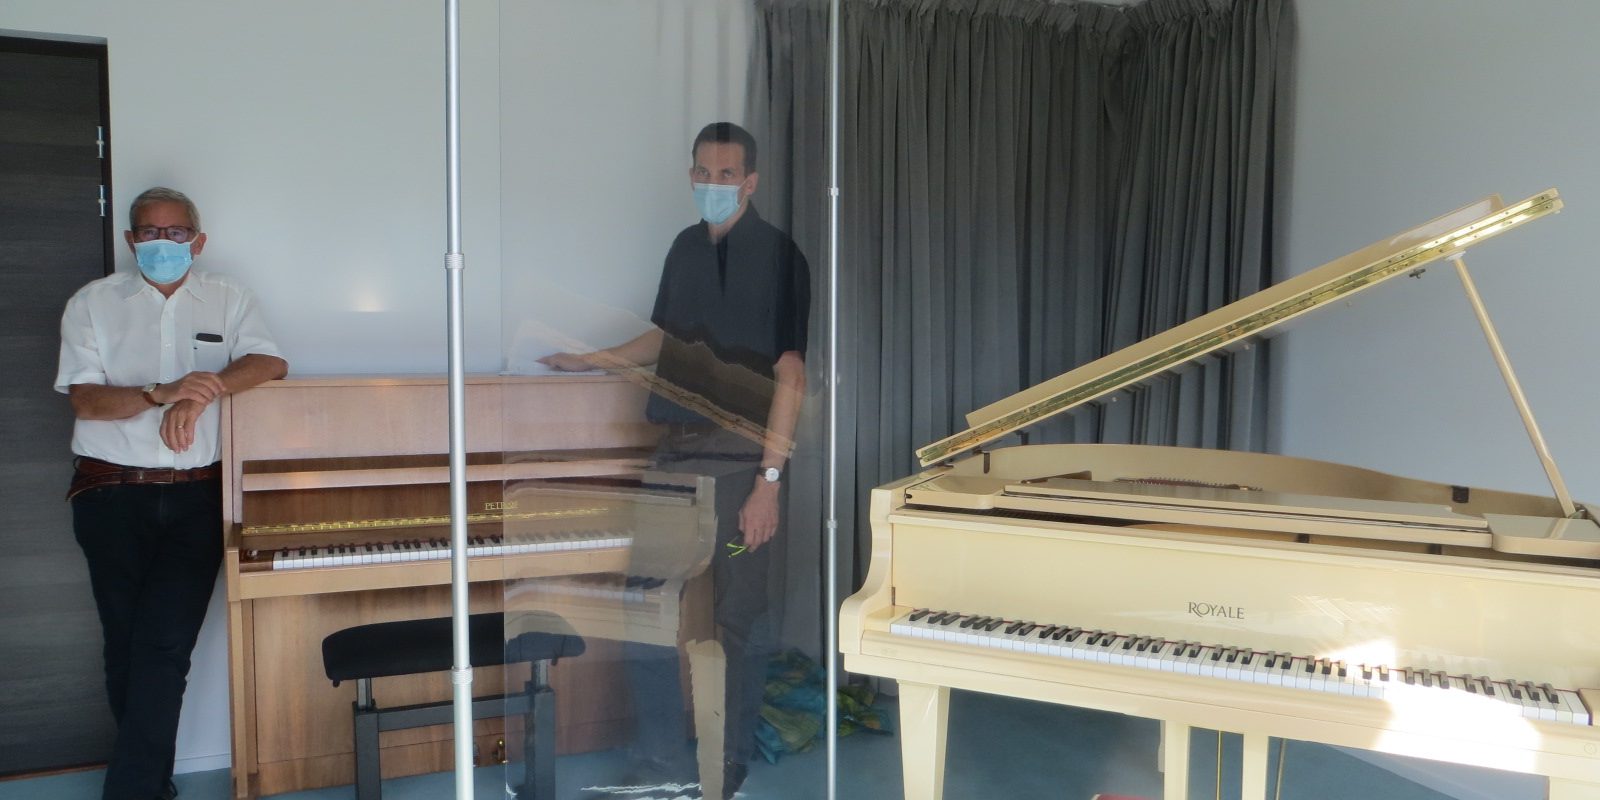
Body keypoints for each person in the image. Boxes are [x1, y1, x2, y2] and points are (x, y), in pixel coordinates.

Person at [542, 122, 810, 798]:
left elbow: (792, 376)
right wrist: (590, 359)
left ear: (750, 181)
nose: (712, 184)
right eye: (703, 172)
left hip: (742, 470)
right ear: (691, 175)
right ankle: (659, 761)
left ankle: (728, 763)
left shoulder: (781, 258)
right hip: (674, 459)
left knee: (740, 620)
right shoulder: (685, 249)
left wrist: (769, 485)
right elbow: (665, 338)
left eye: (727, 175)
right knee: (645, 605)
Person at [55, 187, 288, 800]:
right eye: (150, 232)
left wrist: (201, 390)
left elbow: (269, 363)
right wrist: (161, 392)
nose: (164, 242)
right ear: (130, 240)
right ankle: (147, 786)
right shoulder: (92, 303)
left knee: (164, 645)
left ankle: (133, 791)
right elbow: (86, 400)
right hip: (109, 493)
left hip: (197, 498)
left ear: (198, 241)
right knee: (126, 645)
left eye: (176, 232)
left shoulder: (229, 297)